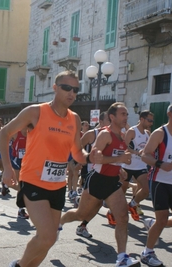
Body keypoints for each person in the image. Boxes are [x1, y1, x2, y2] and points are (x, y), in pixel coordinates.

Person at [0, 70, 102, 267]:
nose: (71, 93)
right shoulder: (35, 112)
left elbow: (77, 152)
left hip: (57, 185)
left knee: (50, 238)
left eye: (75, 89)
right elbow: (4, 133)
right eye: (66, 88)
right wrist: (8, 168)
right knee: (46, 236)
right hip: (33, 180)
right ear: (55, 88)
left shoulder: (75, 119)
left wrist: (89, 157)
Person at [60, 102, 140, 267]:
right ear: (112, 117)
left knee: (123, 217)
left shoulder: (123, 136)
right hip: (97, 180)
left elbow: (116, 157)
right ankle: (58, 224)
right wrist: (119, 160)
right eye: (123, 114)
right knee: (81, 214)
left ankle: (122, 258)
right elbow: (96, 158)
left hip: (112, 183)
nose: (126, 117)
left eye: (126, 114)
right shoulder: (105, 135)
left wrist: (120, 170)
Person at [138, 104, 172, 266]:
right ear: (170, 114)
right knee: (162, 219)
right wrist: (160, 163)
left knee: (162, 219)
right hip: (160, 181)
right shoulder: (160, 133)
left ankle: (152, 223)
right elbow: (145, 155)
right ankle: (147, 252)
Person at [121, 110, 153, 220]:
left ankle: (132, 204)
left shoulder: (148, 133)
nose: (151, 123)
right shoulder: (132, 131)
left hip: (141, 166)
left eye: (152, 121)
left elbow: (149, 149)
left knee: (146, 190)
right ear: (142, 119)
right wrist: (136, 152)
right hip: (127, 166)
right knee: (122, 192)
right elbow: (124, 147)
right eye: (149, 120)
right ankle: (112, 212)